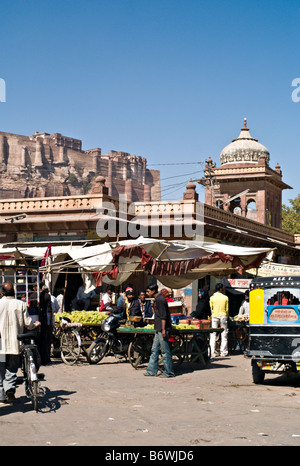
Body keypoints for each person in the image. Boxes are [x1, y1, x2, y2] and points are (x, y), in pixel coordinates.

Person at [0, 282, 41, 403]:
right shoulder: (20, 304)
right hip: (15, 342)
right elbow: (28, 323)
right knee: (12, 368)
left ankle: (1, 394)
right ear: (14, 292)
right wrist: (36, 324)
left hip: (1, 344)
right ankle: (10, 389)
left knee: (0, 368)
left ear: (2, 292)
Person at [144, 284, 175, 378]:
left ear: (153, 291)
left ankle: (169, 372)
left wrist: (164, 329)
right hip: (158, 328)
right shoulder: (157, 300)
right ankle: (151, 371)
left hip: (162, 329)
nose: (147, 293)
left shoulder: (160, 300)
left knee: (165, 351)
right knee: (154, 350)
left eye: (148, 291)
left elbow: (163, 316)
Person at [209, 283, 229, 358]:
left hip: (214, 316)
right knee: (224, 335)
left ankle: (212, 352)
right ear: (221, 289)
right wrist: (226, 316)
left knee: (213, 335)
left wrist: (212, 315)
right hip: (223, 316)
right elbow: (227, 309)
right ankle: (223, 352)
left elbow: (211, 308)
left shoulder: (212, 298)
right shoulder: (225, 297)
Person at [39, 284, 53, 365]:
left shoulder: (33, 295)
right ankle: (45, 359)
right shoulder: (47, 296)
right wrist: (50, 321)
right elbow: (49, 310)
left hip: (36, 319)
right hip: (44, 319)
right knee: (44, 340)